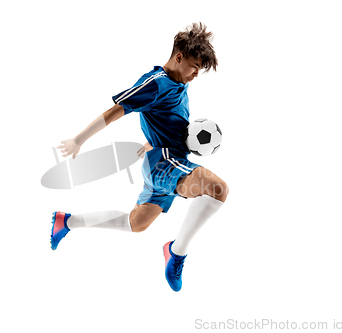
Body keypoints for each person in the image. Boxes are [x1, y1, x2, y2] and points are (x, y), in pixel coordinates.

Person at [51, 22, 229, 292]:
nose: (195, 75)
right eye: (194, 67)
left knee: (136, 223)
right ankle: (176, 253)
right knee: (218, 189)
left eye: (199, 71)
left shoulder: (179, 81)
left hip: (161, 161)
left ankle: (66, 221)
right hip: (165, 164)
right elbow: (116, 110)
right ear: (179, 57)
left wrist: (151, 140)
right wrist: (79, 139)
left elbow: (163, 118)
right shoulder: (155, 84)